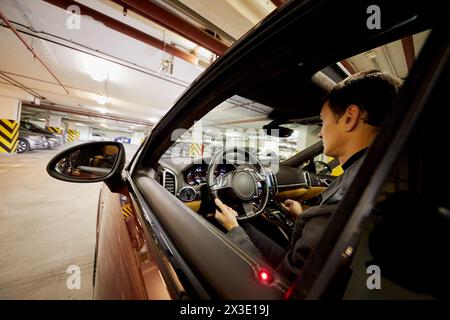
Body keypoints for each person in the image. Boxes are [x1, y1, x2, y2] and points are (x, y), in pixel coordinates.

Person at [214, 70, 402, 281]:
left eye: (323, 121)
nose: (321, 133)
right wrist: (301, 215)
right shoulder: (380, 174)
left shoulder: (349, 196)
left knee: (237, 228)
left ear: (350, 117)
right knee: (247, 225)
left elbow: (282, 283)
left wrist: (233, 229)